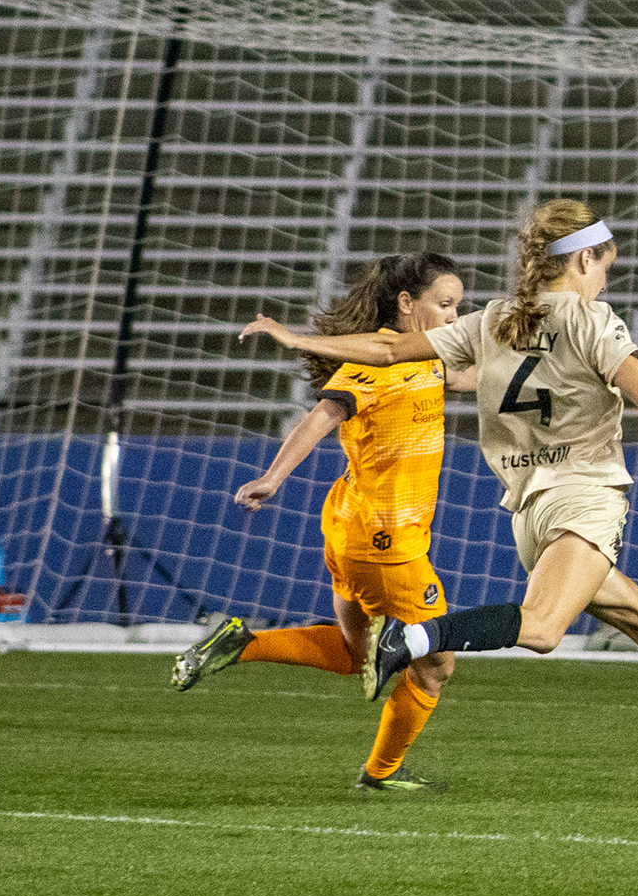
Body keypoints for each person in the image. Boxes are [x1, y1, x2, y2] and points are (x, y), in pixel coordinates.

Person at [240, 199, 638, 784]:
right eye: (604, 265)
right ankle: (412, 635)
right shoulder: (594, 322)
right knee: (546, 629)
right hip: (585, 498)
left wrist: (296, 338)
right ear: (581, 260)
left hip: (530, 511)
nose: (605, 280)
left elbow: (388, 349)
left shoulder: (494, 319)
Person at [172, 252, 470, 793]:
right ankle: (381, 771)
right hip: (387, 540)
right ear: (407, 304)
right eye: (446, 305)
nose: (454, 317)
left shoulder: (425, 358)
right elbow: (323, 414)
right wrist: (273, 476)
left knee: (354, 653)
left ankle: (244, 643)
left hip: (347, 526)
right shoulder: (373, 365)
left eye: (459, 307)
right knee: (437, 666)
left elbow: (467, 377)